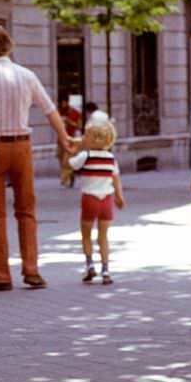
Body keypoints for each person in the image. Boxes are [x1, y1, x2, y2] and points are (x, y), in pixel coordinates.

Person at [0, 25, 74, 291]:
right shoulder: (27, 75)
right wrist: (64, 136)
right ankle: (31, 271)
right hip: (22, 147)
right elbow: (49, 109)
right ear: (9, 46)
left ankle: (0, 276)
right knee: (27, 210)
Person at [69, 115, 125, 285]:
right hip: (106, 200)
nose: (84, 138)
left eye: (86, 136)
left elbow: (71, 164)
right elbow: (116, 180)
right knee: (103, 236)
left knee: (86, 234)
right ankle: (106, 270)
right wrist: (119, 197)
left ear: (93, 138)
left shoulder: (85, 155)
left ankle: (89, 266)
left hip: (89, 199)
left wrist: (73, 149)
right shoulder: (111, 159)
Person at [57, 97, 82, 188]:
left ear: (67, 103)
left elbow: (79, 126)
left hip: (71, 139)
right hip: (60, 139)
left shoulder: (76, 113)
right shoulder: (58, 112)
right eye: (61, 103)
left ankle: (67, 180)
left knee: (67, 161)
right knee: (61, 159)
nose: (63, 105)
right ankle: (67, 177)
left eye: (64, 103)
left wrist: (69, 121)